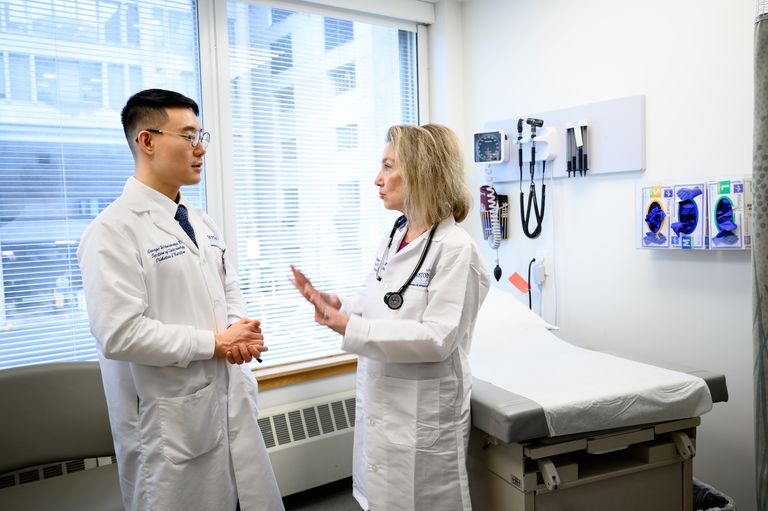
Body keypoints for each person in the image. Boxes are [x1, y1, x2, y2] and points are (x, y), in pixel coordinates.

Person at [77, 89, 284, 511]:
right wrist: (216, 342)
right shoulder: (112, 231)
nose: (201, 148)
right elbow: (120, 334)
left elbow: (229, 291)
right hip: (170, 425)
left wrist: (239, 332)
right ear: (147, 141)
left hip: (225, 401)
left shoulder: (200, 220)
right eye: (189, 136)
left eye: (200, 134)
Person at [291, 124, 490, 511]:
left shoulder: (456, 251)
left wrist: (351, 326)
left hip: (422, 413)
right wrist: (338, 305)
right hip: (384, 402)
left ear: (421, 172)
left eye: (387, 167)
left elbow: (437, 339)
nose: (377, 179)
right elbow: (378, 299)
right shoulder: (396, 232)